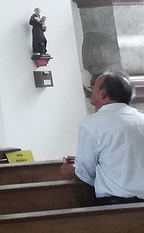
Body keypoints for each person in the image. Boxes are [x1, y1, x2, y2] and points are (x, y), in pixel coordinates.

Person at [61, 71, 144, 203]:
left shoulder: (92, 124)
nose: (91, 89)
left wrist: (73, 170)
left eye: (93, 86)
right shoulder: (141, 119)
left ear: (103, 93)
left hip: (117, 203)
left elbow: (86, 172)